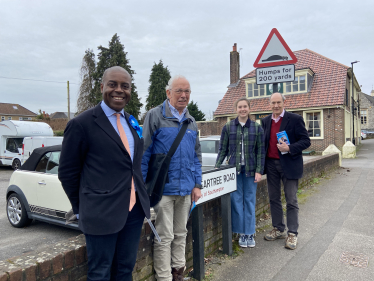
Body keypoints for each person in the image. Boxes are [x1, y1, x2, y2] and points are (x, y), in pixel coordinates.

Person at [58, 66, 150, 281]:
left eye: (125, 86)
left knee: (125, 269)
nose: (119, 90)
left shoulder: (131, 121)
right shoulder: (81, 124)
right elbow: (68, 173)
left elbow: (132, 165)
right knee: (100, 273)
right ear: (102, 87)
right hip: (100, 213)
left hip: (134, 212)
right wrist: (82, 209)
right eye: (113, 84)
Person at [142, 75, 202, 281]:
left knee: (181, 234)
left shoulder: (191, 121)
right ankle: (165, 277)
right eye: (179, 91)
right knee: (164, 237)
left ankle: (179, 273)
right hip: (163, 189)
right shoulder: (155, 116)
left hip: (186, 190)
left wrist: (197, 184)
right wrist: (141, 185)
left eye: (187, 91)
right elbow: (145, 153)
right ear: (168, 93)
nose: (183, 95)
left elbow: (196, 157)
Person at [262, 92, 311, 250]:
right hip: (271, 165)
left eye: (278, 102)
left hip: (289, 164)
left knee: (291, 200)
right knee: (274, 198)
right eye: (273, 103)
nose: (275, 106)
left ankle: (292, 233)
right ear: (269, 104)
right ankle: (278, 228)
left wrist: (289, 148)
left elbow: (306, 141)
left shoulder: (295, 119)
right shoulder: (265, 121)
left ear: (284, 102)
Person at [215, 97, 265, 248]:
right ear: (236, 109)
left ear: (249, 109)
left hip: (250, 170)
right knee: (236, 201)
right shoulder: (228, 127)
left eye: (245, 107)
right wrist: (217, 166)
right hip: (233, 171)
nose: (242, 109)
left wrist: (259, 171)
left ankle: (249, 233)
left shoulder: (257, 128)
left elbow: (260, 152)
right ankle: (241, 233)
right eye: (240, 107)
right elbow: (223, 149)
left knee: (249, 201)